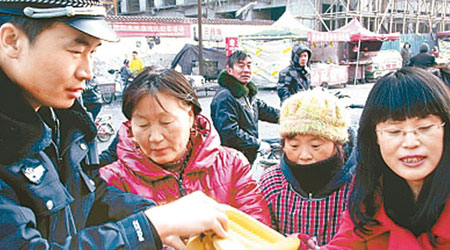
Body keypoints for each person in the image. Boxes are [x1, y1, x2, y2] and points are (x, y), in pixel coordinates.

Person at [0, 2, 228, 249]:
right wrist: (148, 227)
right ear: (12, 41)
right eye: (76, 51)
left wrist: (159, 214)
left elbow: (85, 198)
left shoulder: (60, 120)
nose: (87, 71)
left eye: (92, 53)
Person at [99, 68, 272, 227]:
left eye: (166, 122)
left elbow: (257, 233)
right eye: (143, 125)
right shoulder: (110, 181)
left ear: (190, 116)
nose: (155, 138)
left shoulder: (232, 164)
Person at [304, 67, 450, 249]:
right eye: (394, 131)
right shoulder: (370, 194)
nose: (410, 142)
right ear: (375, 138)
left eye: (425, 127)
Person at [259, 88, 356, 246]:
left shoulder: (357, 186)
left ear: (338, 144)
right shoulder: (272, 183)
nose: (304, 155)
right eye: (294, 145)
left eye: (315, 145)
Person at [210, 50, 280, 164]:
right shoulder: (225, 97)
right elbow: (230, 133)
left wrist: (291, 117)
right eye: (241, 66)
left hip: (247, 155)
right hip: (232, 160)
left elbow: (266, 111)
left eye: (249, 65)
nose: (246, 70)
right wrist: (257, 144)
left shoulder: (247, 93)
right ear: (230, 70)